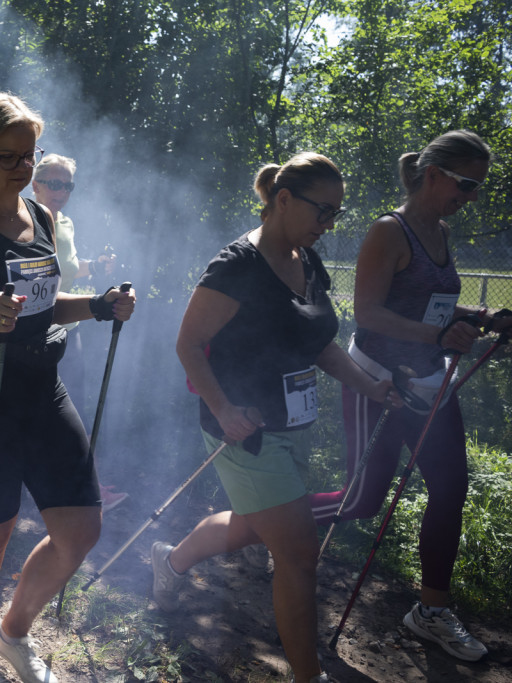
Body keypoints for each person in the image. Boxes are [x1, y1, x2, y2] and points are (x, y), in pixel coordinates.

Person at [0, 92, 135, 683]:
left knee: (80, 531)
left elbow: (43, 307)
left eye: (29, 157)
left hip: (43, 392)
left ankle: (12, 631)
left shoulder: (40, 219)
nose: (23, 168)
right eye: (10, 156)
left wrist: (96, 305)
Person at [162, 152, 398, 683]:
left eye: (336, 214)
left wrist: (370, 386)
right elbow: (189, 344)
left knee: (254, 525)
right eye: (323, 211)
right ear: (284, 200)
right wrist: (223, 409)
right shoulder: (238, 266)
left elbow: (318, 342)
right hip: (244, 432)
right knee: (298, 553)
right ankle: (307, 677)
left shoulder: (305, 259)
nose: (328, 225)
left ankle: (172, 560)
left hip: (293, 426)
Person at [308, 130, 493, 662]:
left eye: (477, 186)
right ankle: (271, 523)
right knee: (361, 500)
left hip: (431, 382)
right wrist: (438, 335)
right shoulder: (390, 231)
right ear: (433, 175)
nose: (471, 196)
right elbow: (368, 314)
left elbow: (429, 305)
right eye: (466, 183)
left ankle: (430, 611)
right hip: (380, 383)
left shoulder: (438, 231)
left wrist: (480, 319)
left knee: (451, 487)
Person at [31, 154, 125, 510]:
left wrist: (95, 266)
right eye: (53, 183)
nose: (60, 191)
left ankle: (80, 483)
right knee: (44, 411)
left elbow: (67, 271)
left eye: (66, 185)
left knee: (72, 409)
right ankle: (80, 486)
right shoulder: (24, 220)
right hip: (34, 332)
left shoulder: (65, 222)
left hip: (70, 329)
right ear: (35, 183)